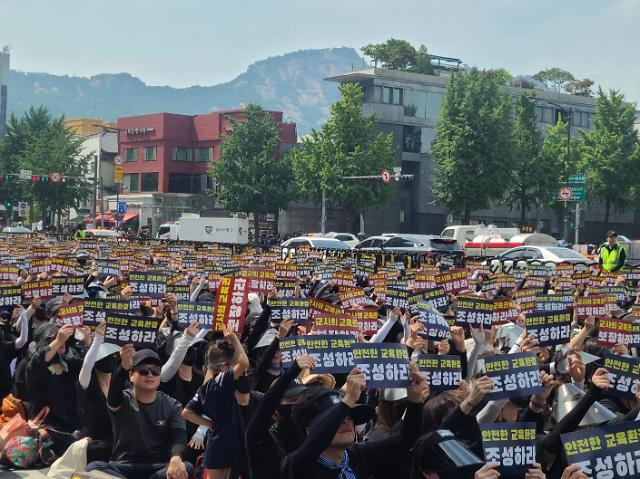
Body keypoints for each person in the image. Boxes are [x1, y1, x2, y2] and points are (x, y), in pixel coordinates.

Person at [282, 364, 427, 479]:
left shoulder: (359, 454)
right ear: (310, 430)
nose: (345, 419)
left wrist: (414, 399)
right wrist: (348, 401)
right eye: (336, 417)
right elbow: (314, 443)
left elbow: (406, 438)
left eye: (349, 414)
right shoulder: (298, 465)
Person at [85, 347, 192, 479]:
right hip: (123, 467)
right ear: (131, 375)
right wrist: (124, 366)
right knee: (94, 468)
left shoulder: (172, 405)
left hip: (158, 468)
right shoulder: (122, 399)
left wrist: (176, 458)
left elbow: (179, 436)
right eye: (143, 371)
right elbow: (113, 393)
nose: (150, 374)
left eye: (155, 371)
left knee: (186, 467)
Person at [182, 325, 249, 479]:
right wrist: (233, 339)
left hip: (221, 442)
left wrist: (210, 424)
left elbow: (186, 412)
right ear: (224, 366)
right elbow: (244, 363)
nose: (236, 368)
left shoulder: (205, 388)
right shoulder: (221, 382)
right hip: (223, 444)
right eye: (233, 365)